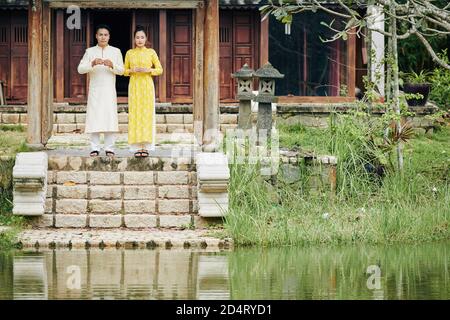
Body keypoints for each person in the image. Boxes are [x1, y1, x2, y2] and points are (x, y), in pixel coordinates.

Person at [77, 24, 124, 157]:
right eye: (101, 34)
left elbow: (122, 70)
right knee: (95, 117)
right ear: (96, 36)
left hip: (109, 89)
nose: (103, 37)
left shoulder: (116, 51)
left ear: (109, 37)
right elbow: (80, 69)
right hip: (95, 90)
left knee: (109, 117)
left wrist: (112, 65)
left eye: (106, 35)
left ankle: (109, 148)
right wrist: (91, 63)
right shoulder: (90, 51)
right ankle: (95, 147)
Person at [124, 25, 163, 158]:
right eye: (137, 37)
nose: (139, 40)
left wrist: (148, 70)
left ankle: (146, 146)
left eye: (142, 37)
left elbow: (160, 69)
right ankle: (136, 146)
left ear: (146, 39)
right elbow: (124, 70)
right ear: (134, 39)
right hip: (134, 85)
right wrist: (131, 71)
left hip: (147, 85)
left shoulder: (151, 52)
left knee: (146, 114)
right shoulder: (130, 53)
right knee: (135, 114)